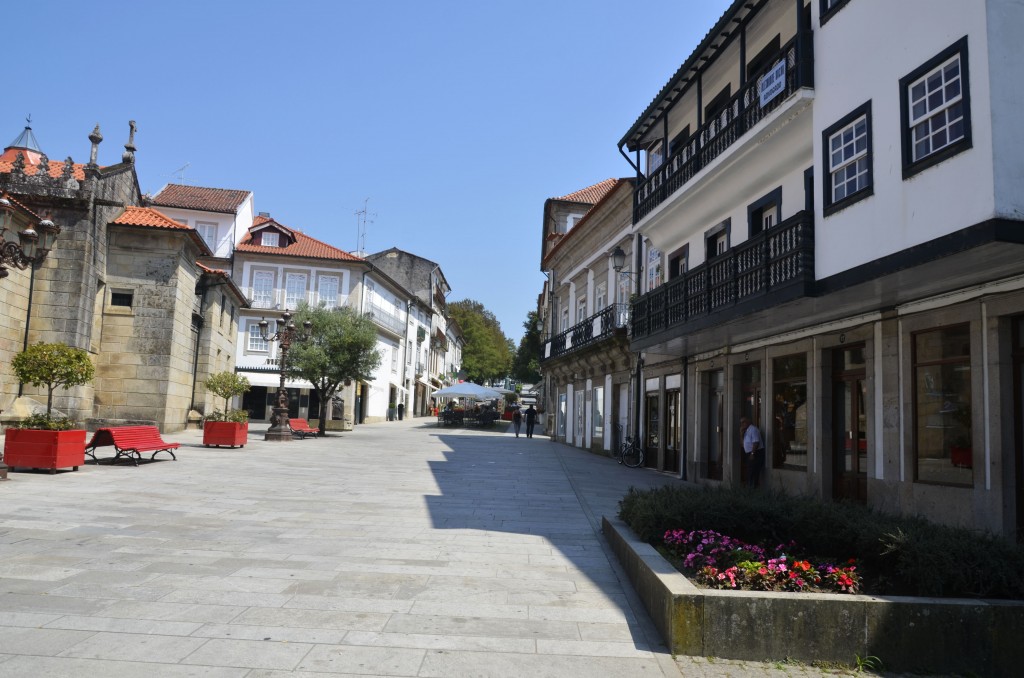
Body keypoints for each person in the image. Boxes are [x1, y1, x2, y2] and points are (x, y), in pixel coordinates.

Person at [741, 416, 764, 489]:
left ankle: (753, 488)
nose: (742, 424)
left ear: (748, 421)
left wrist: (752, 453)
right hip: (749, 453)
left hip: (756, 453)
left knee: (753, 471)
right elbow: (742, 444)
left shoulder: (753, 429)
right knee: (750, 471)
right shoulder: (746, 431)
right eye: (741, 423)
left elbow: (756, 442)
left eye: (743, 422)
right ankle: (750, 487)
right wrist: (741, 434)